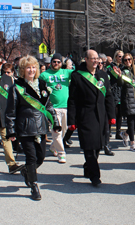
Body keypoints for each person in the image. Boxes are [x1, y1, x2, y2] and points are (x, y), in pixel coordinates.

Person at [5, 55, 60, 200]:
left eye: (33, 67)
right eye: (28, 67)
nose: (31, 70)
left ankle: (27, 172)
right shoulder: (16, 87)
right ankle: (34, 186)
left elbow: (49, 106)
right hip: (25, 127)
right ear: (22, 70)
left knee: (40, 158)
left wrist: (55, 122)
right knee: (31, 157)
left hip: (41, 126)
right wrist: (10, 130)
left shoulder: (42, 84)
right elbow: (10, 112)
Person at [67, 50, 115, 187]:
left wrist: (112, 115)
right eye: (92, 58)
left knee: (98, 146)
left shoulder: (103, 75)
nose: (95, 61)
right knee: (89, 146)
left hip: (101, 115)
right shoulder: (77, 76)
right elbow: (72, 100)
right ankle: (95, 176)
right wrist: (72, 120)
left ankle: (88, 166)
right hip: (85, 115)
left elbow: (109, 96)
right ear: (86, 60)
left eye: (97, 59)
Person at [39, 53, 74, 162]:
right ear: (51, 62)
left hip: (66, 107)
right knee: (56, 131)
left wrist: (70, 63)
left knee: (63, 131)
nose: (56, 63)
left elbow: (79, 72)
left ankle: (53, 147)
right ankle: (61, 153)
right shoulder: (44, 75)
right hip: (52, 108)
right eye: (54, 61)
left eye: (58, 62)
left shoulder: (66, 72)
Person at [113, 52, 135, 152]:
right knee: (131, 122)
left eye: (129, 59)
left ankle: (126, 133)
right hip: (128, 99)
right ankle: (132, 143)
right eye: (125, 60)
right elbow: (120, 84)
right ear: (123, 62)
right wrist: (119, 76)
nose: (128, 61)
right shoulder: (122, 71)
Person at [108, 50, 124, 140]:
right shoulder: (111, 67)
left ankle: (118, 132)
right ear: (115, 57)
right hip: (113, 91)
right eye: (119, 56)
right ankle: (109, 131)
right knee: (113, 112)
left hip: (121, 91)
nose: (121, 58)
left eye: (122, 56)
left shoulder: (123, 67)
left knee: (120, 114)